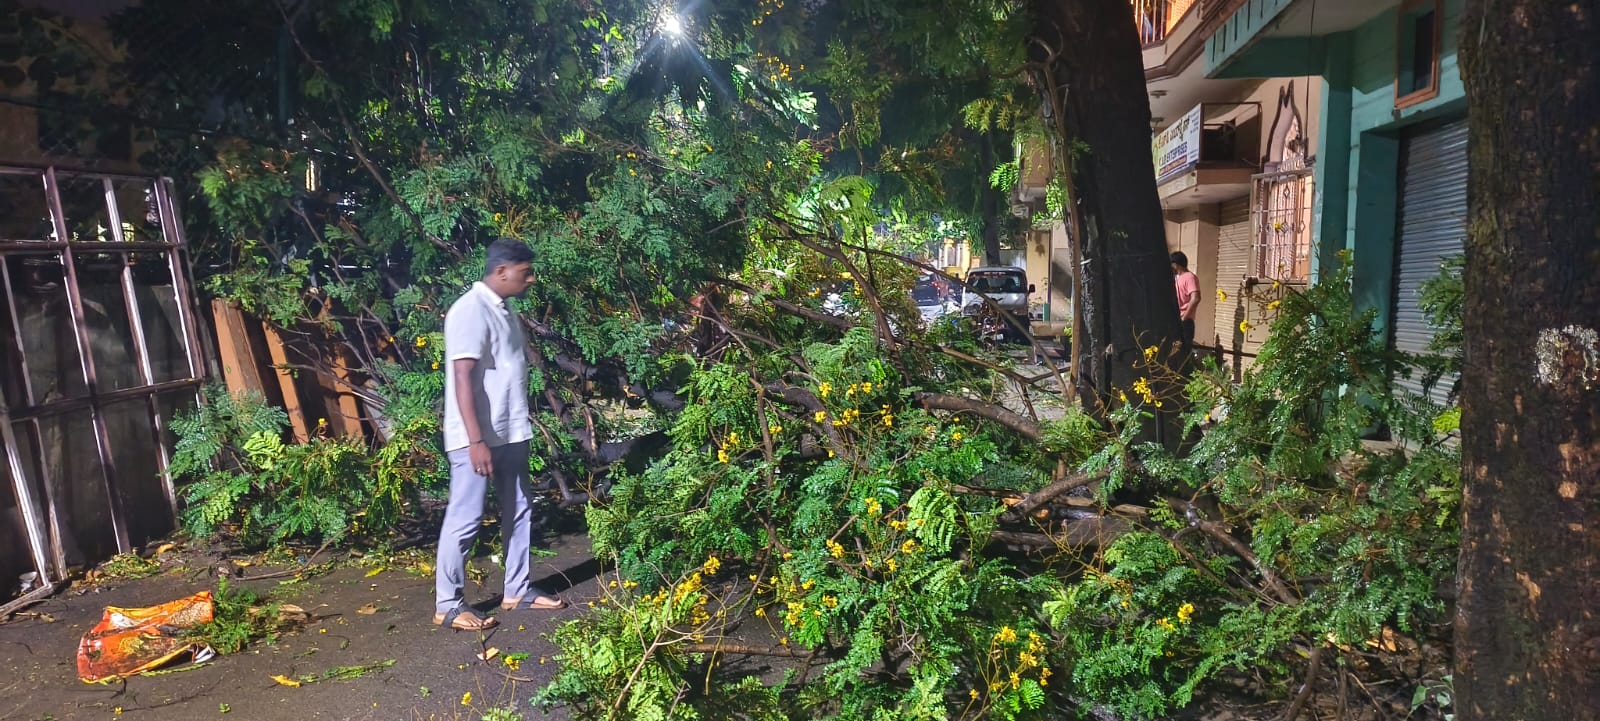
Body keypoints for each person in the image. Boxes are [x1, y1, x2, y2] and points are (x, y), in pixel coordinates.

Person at [434, 238, 566, 631]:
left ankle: (517, 590)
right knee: (466, 516)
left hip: (511, 430)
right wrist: (476, 441)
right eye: (526, 273)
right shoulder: (470, 311)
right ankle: (448, 604)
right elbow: (462, 377)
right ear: (501, 272)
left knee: (520, 507)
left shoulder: (505, 311)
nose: (531, 280)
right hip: (475, 437)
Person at [1171, 251, 1200, 360]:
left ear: (1175, 264)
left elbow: (1196, 298)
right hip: (1177, 321)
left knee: (1182, 355)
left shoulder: (1189, 277)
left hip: (1184, 322)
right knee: (1174, 355)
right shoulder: (1178, 278)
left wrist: (1184, 317)